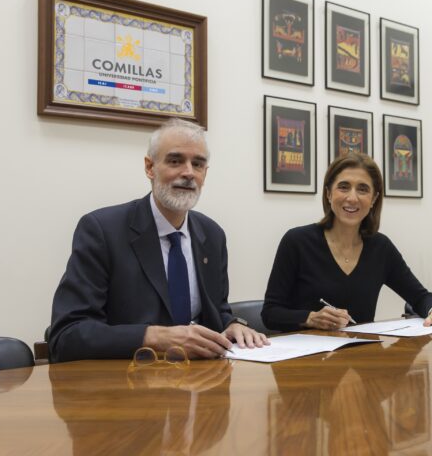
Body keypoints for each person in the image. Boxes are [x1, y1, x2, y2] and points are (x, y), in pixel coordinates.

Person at [49, 119, 268, 362]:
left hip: (201, 385)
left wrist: (232, 324)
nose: (188, 173)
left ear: (205, 173)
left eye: (198, 164)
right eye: (175, 161)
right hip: (126, 387)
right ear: (150, 167)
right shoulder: (102, 230)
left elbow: (216, 311)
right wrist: (154, 337)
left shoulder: (212, 235)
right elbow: (67, 336)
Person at [261, 152, 432, 332]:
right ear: (328, 193)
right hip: (305, 363)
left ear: (373, 199)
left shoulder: (380, 248)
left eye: (362, 189)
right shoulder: (297, 241)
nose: (352, 198)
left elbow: (419, 297)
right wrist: (309, 317)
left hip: (361, 359)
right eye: (343, 187)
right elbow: (270, 313)